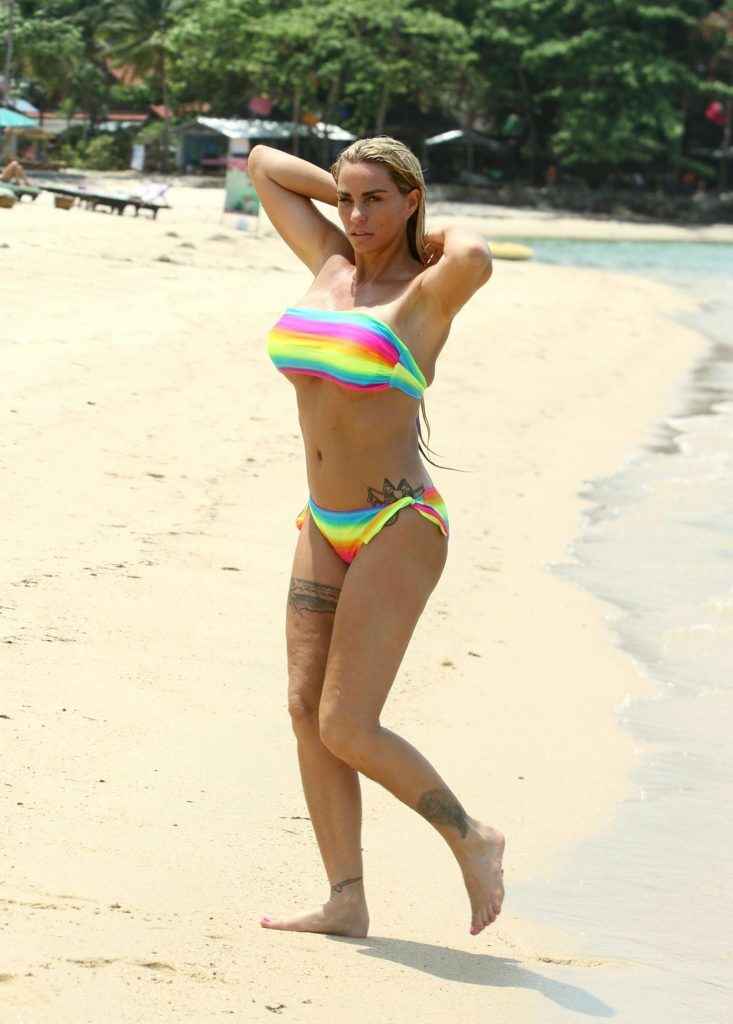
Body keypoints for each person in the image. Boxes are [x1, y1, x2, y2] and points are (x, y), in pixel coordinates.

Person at [248, 136, 504, 939]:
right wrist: (347, 191)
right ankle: (345, 899)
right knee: (304, 710)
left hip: (398, 522)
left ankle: (471, 836)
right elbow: (262, 164)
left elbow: (476, 254)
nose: (355, 216)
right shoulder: (328, 262)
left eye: (375, 201)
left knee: (346, 724)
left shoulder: (426, 293)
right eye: (347, 200)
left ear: (411, 202)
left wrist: (425, 230)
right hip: (323, 521)